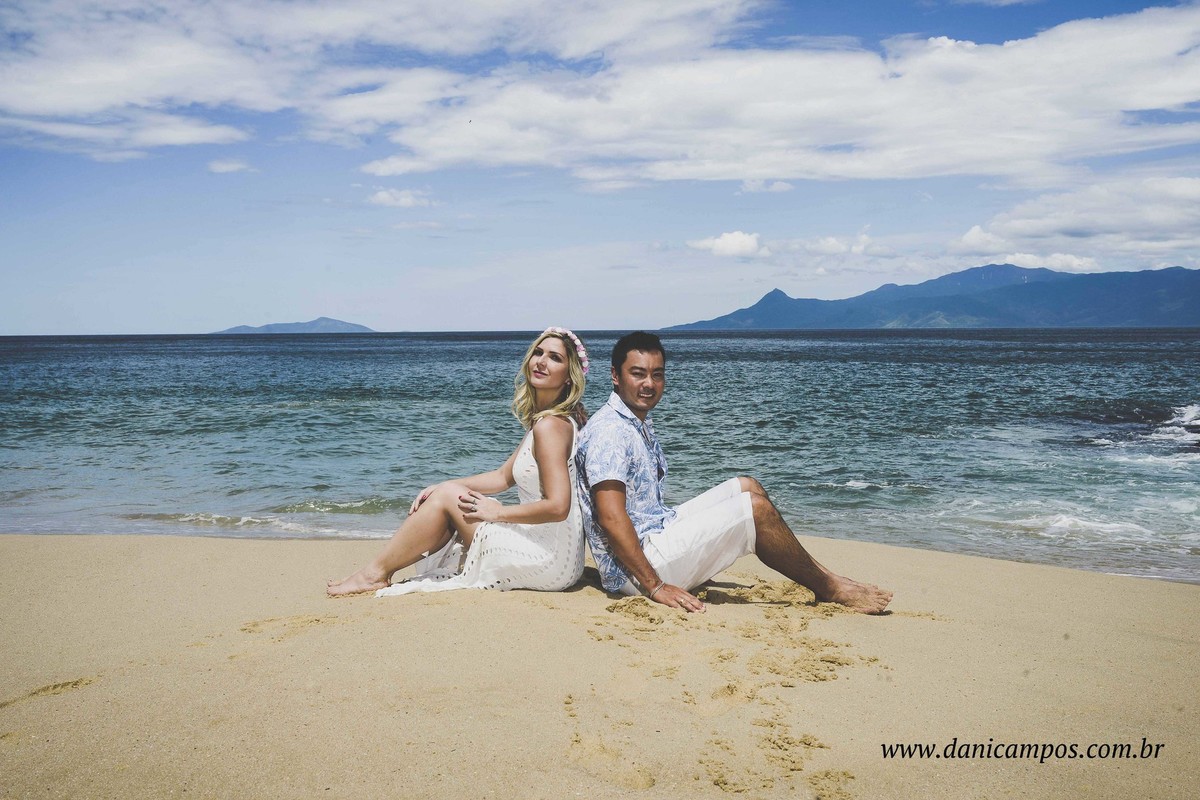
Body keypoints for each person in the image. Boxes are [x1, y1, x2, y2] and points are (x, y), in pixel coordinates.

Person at [575, 331, 892, 614]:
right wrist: (656, 586)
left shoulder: (632, 420)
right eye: (638, 374)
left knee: (746, 486)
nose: (649, 384)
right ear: (615, 375)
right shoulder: (611, 432)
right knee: (755, 510)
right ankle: (831, 588)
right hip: (633, 572)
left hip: (655, 534)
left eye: (657, 375)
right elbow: (611, 518)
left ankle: (823, 576)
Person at [327, 327, 590, 597]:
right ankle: (376, 572)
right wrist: (445, 485)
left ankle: (373, 575)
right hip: (557, 555)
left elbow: (558, 506)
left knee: (452, 499)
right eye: (538, 352)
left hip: (547, 558)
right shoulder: (549, 421)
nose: (541, 361)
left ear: (569, 377)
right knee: (449, 494)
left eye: (555, 358)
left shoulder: (550, 427)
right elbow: (502, 477)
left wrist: (496, 513)